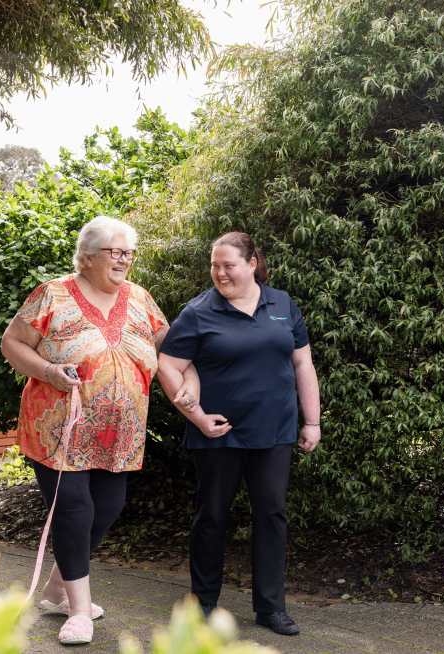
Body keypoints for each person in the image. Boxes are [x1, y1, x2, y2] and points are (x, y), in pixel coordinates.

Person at [1, 216, 198, 645]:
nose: (125, 259)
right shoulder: (51, 295)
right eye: (116, 251)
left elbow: (173, 350)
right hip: (58, 430)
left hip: (119, 433)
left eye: (130, 252)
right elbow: (11, 343)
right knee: (75, 509)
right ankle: (78, 610)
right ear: (88, 256)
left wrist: (195, 385)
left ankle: (57, 587)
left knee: (107, 507)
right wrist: (49, 371)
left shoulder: (141, 299)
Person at [157, 231, 320, 636]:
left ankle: (270, 608)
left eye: (228, 265)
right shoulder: (198, 311)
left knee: (271, 516)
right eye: (214, 265)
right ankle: (204, 604)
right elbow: (167, 366)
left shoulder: (281, 303)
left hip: (275, 432)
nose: (219, 273)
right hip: (218, 433)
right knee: (211, 517)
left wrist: (312, 421)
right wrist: (196, 417)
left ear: (251, 264)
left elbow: (303, 364)